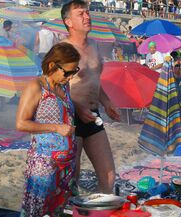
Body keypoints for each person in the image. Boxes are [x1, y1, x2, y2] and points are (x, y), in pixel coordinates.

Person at [15, 43, 80, 217]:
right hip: (44, 164)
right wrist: (56, 128)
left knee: (63, 214)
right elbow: (21, 123)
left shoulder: (63, 86)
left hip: (66, 165)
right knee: (37, 213)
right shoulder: (36, 87)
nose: (71, 77)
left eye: (75, 71)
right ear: (52, 65)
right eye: (68, 72)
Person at [61, 0, 121, 194]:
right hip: (71, 116)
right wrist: (78, 107)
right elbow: (54, 87)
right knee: (72, 177)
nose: (87, 17)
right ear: (69, 22)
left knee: (108, 177)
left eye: (87, 13)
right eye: (81, 14)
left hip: (93, 115)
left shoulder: (94, 45)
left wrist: (107, 101)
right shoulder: (63, 50)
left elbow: (94, 80)